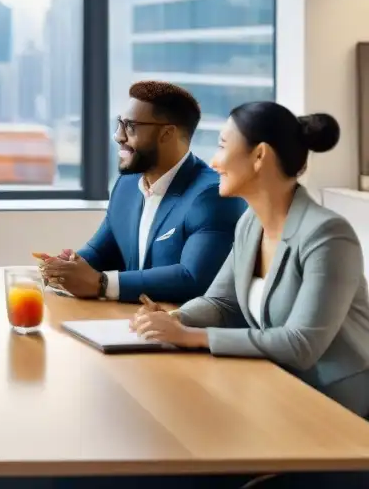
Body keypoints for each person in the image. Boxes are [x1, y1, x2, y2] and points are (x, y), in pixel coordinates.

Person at [133, 102, 369, 419]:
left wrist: (188, 337)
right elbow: (221, 302)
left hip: (336, 406)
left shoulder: (328, 235)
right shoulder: (250, 223)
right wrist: (173, 320)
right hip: (276, 388)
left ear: (259, 156)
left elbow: (300, 345)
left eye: (222, 146)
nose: (214, 162)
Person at [40, 81, 246, 304]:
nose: (118, 136)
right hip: (131, 321)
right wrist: (66, 268)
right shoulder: (127, 185)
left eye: (130, 127)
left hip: (180, 330)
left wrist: (102, 284)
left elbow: (194, 279)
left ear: (167, 133)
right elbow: (100, 252)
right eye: (119, 124)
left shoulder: (211, 196)